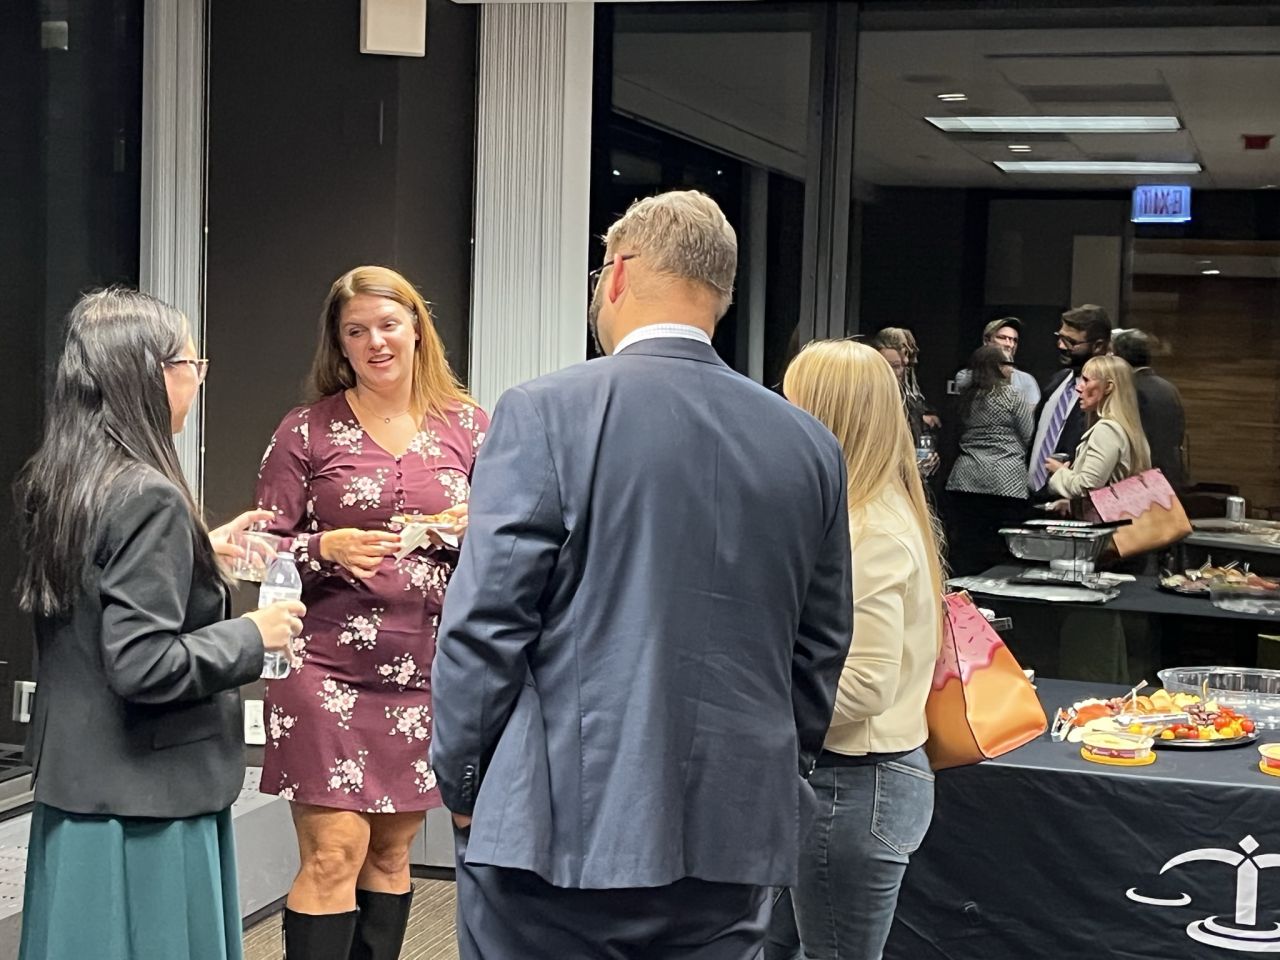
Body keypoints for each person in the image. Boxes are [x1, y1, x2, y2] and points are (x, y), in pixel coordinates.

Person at [430, 190, 854, 960]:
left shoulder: (544, 413)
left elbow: (485, 628)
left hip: (549, 833)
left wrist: (464, 786)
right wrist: (767, 772)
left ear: (618, 274)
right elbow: (820, 647)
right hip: (731, 835)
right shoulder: (808, 445)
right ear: (720, 294)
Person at [12, 288, 303, 960]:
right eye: (192, 365)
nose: (198, 380)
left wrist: (198, 550)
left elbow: (94, 599)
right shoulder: (149, 495)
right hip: (147, 802)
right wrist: (254, 634)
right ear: (150, 374)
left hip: (79, 786)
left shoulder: (59, 481)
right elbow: (143, 664)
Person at [255, 266, 488, 959]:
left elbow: (513, 539)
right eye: (356, 331)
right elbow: (256, 546)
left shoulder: (470, 426)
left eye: (388, 325)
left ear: (417, 328)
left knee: (389, 853)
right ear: (340, 343)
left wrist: (468, 528)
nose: (375, 342)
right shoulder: (305, 430)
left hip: (425, 671)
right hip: (322, 668)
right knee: (335, 851)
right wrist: (321, 546)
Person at [766, 339, 944, 960]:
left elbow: (865, 684)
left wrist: (755, 707)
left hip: (852, 786)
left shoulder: (868, 529)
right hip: (841, 785)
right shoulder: (867, 512)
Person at [945, 346, 1034, 575]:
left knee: (968, 547)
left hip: (965, 477)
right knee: (1002, 552)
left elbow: (955, 432)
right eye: (1008, 364)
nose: (1011, 370)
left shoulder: (966, 397)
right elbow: (1028, 433)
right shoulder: (1012, 396)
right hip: (1006, 481)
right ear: (997, 367)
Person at [1028, 304, 1113, 498]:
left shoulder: (1109, 395)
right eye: (1060, 337)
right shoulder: (1056, 381)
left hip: (1073, 502)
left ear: (1098, 346)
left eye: (1070, 342)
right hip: (1032, 499)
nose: (1060, 346)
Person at [1045, 355, 1152, 500]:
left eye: (1086, 380)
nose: (1078, 387)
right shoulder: (1127, 427)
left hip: (1110, 514)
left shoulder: (1107, 430)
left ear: (1108, 387)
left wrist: (1059, 472)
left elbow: (1087, 487)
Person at [1112, 328, 1187, 489]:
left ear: (1119, 357)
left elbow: (1137, 442)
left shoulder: (1130, 390)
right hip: (1170, 475)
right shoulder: (1168, 387)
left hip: (1144, 481)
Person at [874, 328, 939, 479]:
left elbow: (918, 436)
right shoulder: (870, 400)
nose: (899, 372)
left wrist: (926, 460)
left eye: (903, 366)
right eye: (894, 366)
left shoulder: (907, 399)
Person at [954, 317, 1040, 407]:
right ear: (986, 341)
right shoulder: (965, 376)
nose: (1010, 345)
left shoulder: (1026, 380)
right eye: (1002, 338)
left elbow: (1028, 413)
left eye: (1014, 340)